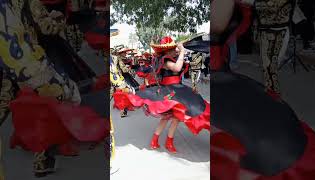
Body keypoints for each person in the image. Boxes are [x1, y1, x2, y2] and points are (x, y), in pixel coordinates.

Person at [211, 0, 315, 179]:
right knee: (268, 68)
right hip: (264, 35)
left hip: (277, 31)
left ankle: (273, 94)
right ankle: (273, 93)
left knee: (270, 69)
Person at [1, 0, 107, 177]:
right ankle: (42, 158)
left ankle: (43, 158)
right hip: (29, 58)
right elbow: (46, 27)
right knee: (47, 106)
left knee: (13, 103)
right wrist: (58, 19)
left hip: (12, 64)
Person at [113, 36, 210, 153]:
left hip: (179, 90)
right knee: (166, 118)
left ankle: (169, 142)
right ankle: (155, 140)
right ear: (167, 50)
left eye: (176, 48)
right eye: (173, 48)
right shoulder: (165, 60)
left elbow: (182, 70)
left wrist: (183, 51)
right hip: (169, 91)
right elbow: (177, 67)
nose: (176, 50)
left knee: (176, 119)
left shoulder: (173, 58)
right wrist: (183, 52)